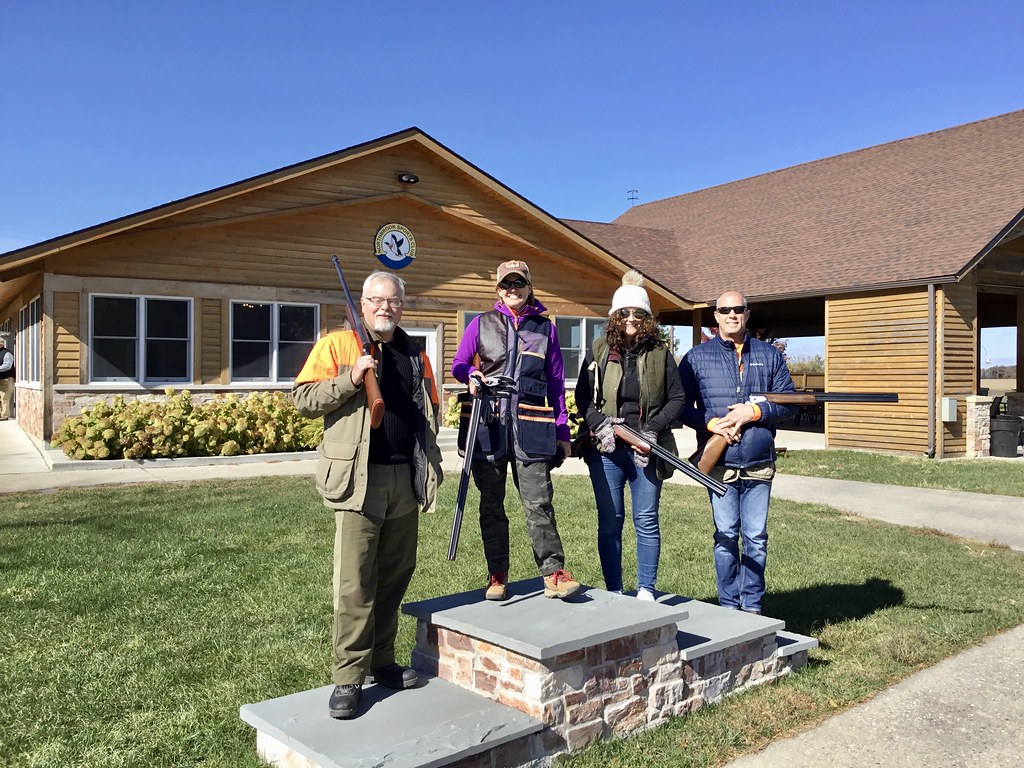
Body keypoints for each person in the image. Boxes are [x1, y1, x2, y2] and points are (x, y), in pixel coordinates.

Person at [292, 270, 443, 720]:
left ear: (402, 305)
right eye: (377, 300)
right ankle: (347, 677)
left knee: (396, 575)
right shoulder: (339, 345)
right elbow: (302, 400)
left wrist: (428, 467)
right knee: (355, 582)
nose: (385, 308)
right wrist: (351, 380)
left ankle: (381, 661)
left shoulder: (415, 352)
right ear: (362, 303)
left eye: (393, 301)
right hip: (360, 480)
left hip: (403, 479)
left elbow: (427, 409)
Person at [451, 259, 580, 601]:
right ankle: (497, 575)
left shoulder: (546, 329)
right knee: (491, 506)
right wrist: (471, 376)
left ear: (528, 286)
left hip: (533, 430)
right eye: (506, 284)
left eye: (518, 283)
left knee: (539, 504)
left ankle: (554, 573)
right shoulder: (480, 324)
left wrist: (563, 433)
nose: (512, 289)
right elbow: (459, 364)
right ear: (498, 289)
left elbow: (555, 384)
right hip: (489, 428)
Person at [678, 291, 796, 615]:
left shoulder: (769, 355)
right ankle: (729, 606)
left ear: (747, 313)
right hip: (720, 466)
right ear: (715, 316)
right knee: (726, 536)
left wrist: (753, 413)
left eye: (738, 309)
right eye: (725, 309)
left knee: (756, 537)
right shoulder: (696, 357)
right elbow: (680, 407)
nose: (732, 314)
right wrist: (713, 423)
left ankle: (753, 607)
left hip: (759, 463)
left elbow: (789, 405)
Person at [575, 271, 685, 600]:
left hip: (646, 449)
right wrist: (599, 423)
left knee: (646, 519)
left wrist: (652, 430)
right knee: (610, 520)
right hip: (606, 449)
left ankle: (646, 590)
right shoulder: (598, 350)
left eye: (638, 313)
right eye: (624, 312)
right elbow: (583, 397)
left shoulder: (660, 354)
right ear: (614, 316)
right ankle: (614, 591)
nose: (631, 319)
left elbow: (677, 398)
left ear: (648, 318)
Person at [0, 333, 14, 421]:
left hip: (6, 379)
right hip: (1, 378)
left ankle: (5, 416)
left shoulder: (7, 354)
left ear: (1, 344)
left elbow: (7, 366)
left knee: (5, 398)